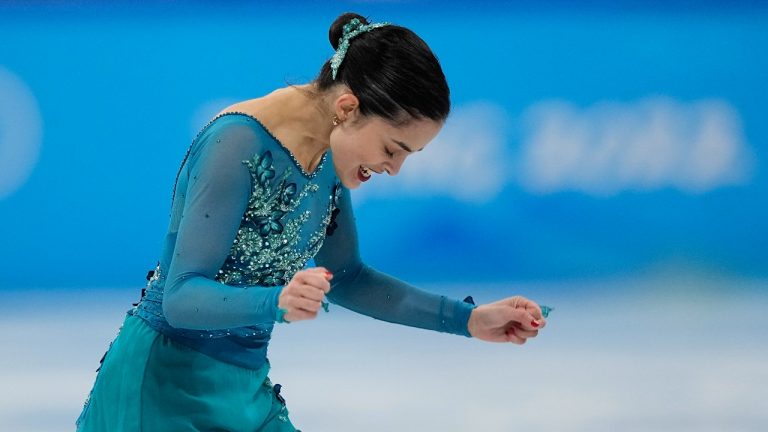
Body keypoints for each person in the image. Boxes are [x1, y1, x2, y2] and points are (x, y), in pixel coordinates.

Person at [75, 12, 547, 431]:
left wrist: (469, 320)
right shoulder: (236, 145)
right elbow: (180, 298)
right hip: (160, 391)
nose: (394, 170)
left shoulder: (329, 156)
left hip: (243, 391)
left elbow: (348, 277)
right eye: (392, 149)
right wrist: (274, 301)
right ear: (348, 108)